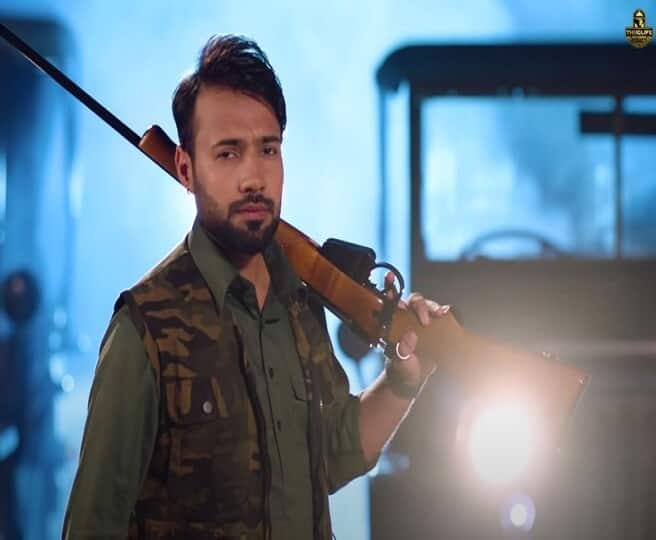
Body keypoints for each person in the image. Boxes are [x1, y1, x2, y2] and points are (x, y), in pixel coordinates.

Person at [62, 34, 448, 540]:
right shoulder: (145, 328)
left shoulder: (299, 302)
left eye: (268, 149)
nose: (254, 177)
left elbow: (328, 459)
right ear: (186, 168)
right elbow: (93, 526)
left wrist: (404, 379)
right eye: (228, 153)